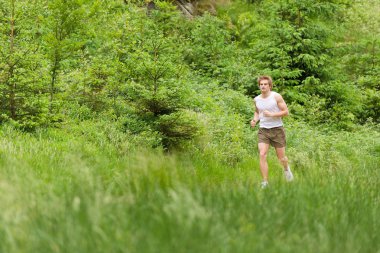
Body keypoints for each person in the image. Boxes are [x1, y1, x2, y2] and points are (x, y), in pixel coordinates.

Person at [250, 76, 293, 188]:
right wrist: (255, 120)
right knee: (262, 154)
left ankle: (286, 169)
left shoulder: (276, 96)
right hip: (263, 130)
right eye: (261, 84)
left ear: (270, 86)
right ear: (259, 86)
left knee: (281, 158)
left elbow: (286, 112)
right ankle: (265, 182)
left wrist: (272, 114)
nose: (263, 86)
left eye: (265, 84)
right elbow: (257, 112)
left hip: (277, 129)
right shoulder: (257, 99)